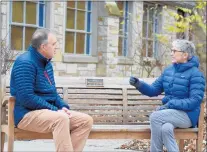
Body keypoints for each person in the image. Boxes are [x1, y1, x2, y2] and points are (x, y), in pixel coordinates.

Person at [10, 29, 93, 152]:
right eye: (53, 44)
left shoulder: (46, 63)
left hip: (47, 112)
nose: (57, 47)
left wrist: (62, 106)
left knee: (85, 121)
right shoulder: (25, 63)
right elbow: (26, 98)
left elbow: (52, 93)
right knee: (61, 119)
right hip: (26, 114)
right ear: (43, 47)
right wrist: (55, 110)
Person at [129, 39, 205, 152]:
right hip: (170, 113)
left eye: (174, 51)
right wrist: (139, 84)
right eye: (171, 50)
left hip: (187, 115)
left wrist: (171, 104)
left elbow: (195, 100)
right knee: (166, 128)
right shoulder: (169, 71)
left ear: (185, 55)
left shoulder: (196, 74)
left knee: (155, 116)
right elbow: (153, 90)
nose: (171, 53)